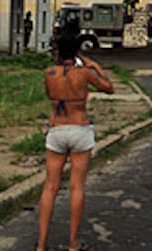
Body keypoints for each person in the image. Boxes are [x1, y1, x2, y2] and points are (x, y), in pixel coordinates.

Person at [37, 34, 114, 251]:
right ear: (77, 53)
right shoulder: (84, 73)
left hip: (57, 129)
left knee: (50, 186)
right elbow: (109, 88)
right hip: (80, 128)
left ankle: (41, 246)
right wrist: (96, 67)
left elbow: (50, 95)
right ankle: (73, 245)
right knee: (77, 187)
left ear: (58, 52)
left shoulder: (49, 73)